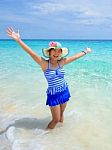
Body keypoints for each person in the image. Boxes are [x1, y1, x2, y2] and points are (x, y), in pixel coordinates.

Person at [7, 27, 92, 129]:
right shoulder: (44, 64)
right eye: (54, 51)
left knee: (61, 116)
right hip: (54, 94)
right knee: (55, 119)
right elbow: (31, 53)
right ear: (50, 53)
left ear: (61, 53)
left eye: (59, 51)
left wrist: (85, 51)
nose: (56, 53)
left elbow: (75, 57)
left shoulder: (62, 62)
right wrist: (18, 40)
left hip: (64, 91)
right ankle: (46, 134)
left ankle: (59, 136)